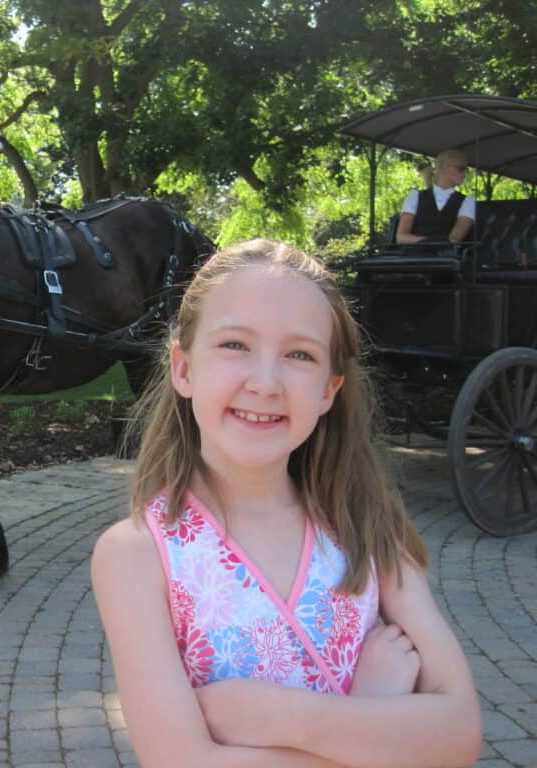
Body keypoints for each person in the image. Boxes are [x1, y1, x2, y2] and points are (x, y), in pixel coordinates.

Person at [91, 240, 482, 768]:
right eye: (235, 345)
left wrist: (277, 715)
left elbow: (459, 733)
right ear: (183, 368)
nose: (266, 383)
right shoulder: (136, 555)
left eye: (300, 355)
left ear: (328, 390)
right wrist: (376, 721)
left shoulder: (367, 530)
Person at [396, 149, 476, 244]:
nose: (465, 174)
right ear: (444, 167)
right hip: (413, 255)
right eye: (461, 168)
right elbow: (401, 237)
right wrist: (428, 241)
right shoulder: (414, 196)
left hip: (445, 257)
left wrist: (430, 242)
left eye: (466, 170)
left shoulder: (467, 201)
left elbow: (455, 239)